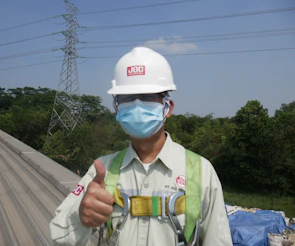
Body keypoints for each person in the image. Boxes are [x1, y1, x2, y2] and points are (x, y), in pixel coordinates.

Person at [49, 47, 232, 246]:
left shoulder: (200, 171)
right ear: (116, 108)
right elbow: (57, 238)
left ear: (167, 107)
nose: (136, 106)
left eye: (147, 96)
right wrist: (80, 217)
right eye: (126, 97)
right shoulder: (102, 170)